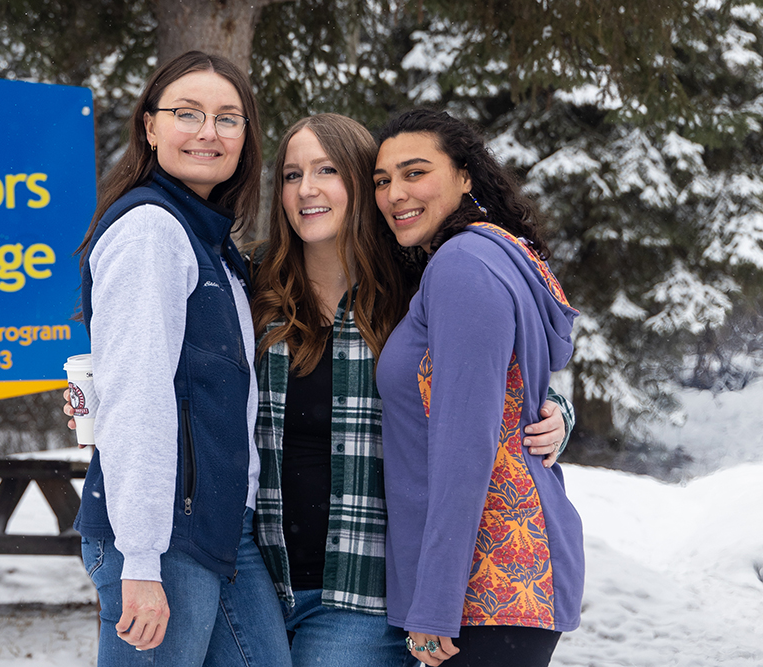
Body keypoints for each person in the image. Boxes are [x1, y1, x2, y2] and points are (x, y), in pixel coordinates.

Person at [250, 113, 575, 666]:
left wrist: (556, 413)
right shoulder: (251, 285)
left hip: (364, 590)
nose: (306, 188)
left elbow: (493, 381)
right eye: (290, 174)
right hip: (256, 576)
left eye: (328, 170)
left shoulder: (416, 285)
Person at [71, 51, 292, 667]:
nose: (208, 132)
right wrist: (140, 561)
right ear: (149, 125)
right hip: (162, 537)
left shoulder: (209, 241)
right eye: (187, 114)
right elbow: (138, 398)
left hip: (219, 529)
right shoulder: (151, 230)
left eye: (228, 118)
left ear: (246, 138)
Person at [373, 108, 584, 666]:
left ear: (466, 175)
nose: (395, 193)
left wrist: (436, 605)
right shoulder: (490, 254)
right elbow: (517, 393)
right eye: (382, 180)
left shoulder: (463, 265)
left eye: (415, 172)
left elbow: (466, 447)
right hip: (506, 581)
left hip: (487, 585)